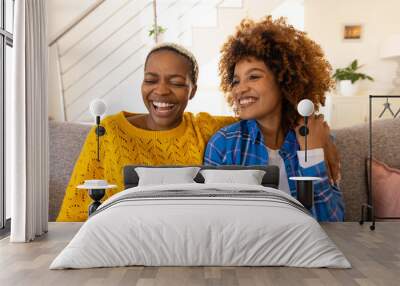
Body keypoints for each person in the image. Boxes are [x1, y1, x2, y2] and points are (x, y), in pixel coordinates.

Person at [57, 43, 235, 221]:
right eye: (150, 80)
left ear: (193, 90)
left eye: (176, 83)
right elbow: (73, 212)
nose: (161, 90)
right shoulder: (108, 131)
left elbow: (256, 117)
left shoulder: (203, 128)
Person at [204, 16, 344, 222]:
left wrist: (312, 154)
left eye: (253, 76)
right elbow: (212, 220)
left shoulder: (316, 136)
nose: (240, 89)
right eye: (235, 81)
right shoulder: (224, 144)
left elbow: (332, 223)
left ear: (284, 81)